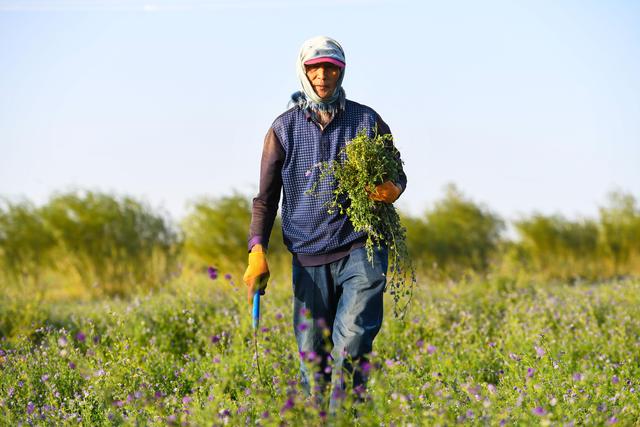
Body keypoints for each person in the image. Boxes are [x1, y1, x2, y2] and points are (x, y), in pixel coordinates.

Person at [242, 36, 407, 412]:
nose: (322, 75)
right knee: (313, 357)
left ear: (341, 71)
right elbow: (266, 199)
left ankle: (342, 420)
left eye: (330, 68)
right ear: (303, 71)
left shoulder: (366, 121)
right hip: (307, 257)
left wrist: (391, 188)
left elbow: (397, 173)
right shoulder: (283, 129)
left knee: (351, 345)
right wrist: (257, 249)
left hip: (360, 248)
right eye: (314, 68)